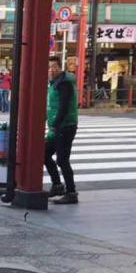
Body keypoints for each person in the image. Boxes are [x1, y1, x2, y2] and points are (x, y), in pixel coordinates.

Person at [44, 57, 79, 204]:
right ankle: (57, 185)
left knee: (62, 160)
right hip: (57, 126)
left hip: (65, 126)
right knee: (44, 154)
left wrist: (55, 124)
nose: (51, 70)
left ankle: (71, 193)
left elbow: (63, 106)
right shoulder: (54, 82)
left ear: (60, 67)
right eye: (49, 67)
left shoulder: (64, 83)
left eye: (54, 67)